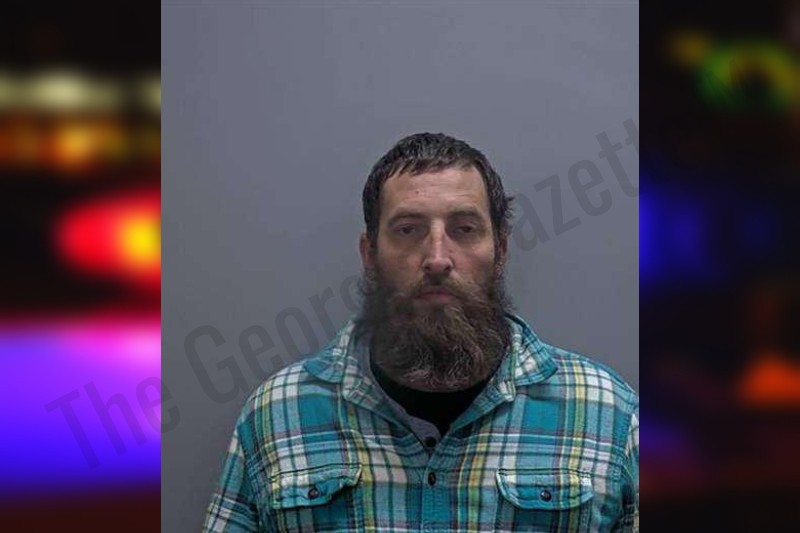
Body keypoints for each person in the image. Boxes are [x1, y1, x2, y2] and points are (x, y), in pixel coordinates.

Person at [203, 133, 639, 532]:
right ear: (370, 254)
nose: (437, 258)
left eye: (464, 229)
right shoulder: (278, 415)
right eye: (408, 230)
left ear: (501, 250)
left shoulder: (608, 415)